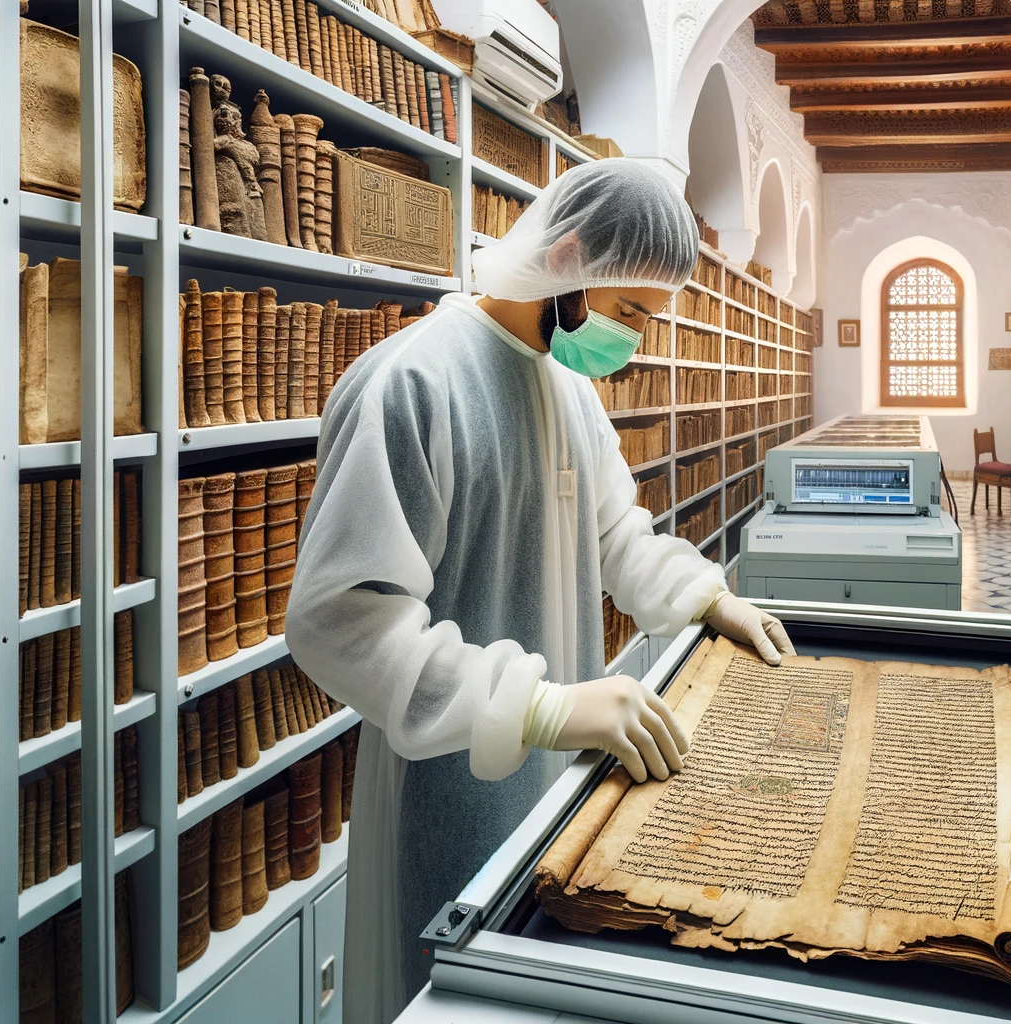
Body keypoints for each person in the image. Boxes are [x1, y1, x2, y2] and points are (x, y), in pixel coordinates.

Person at [286, 159, 796, 1024]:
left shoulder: (567, 388)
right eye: (630, 311)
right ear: (565, 259)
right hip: (444, 783)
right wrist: (542, 709)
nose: (635, 341)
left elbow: (616, 535)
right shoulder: (412, 382)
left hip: (556, 771)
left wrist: (710, 597)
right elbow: (342, 622)